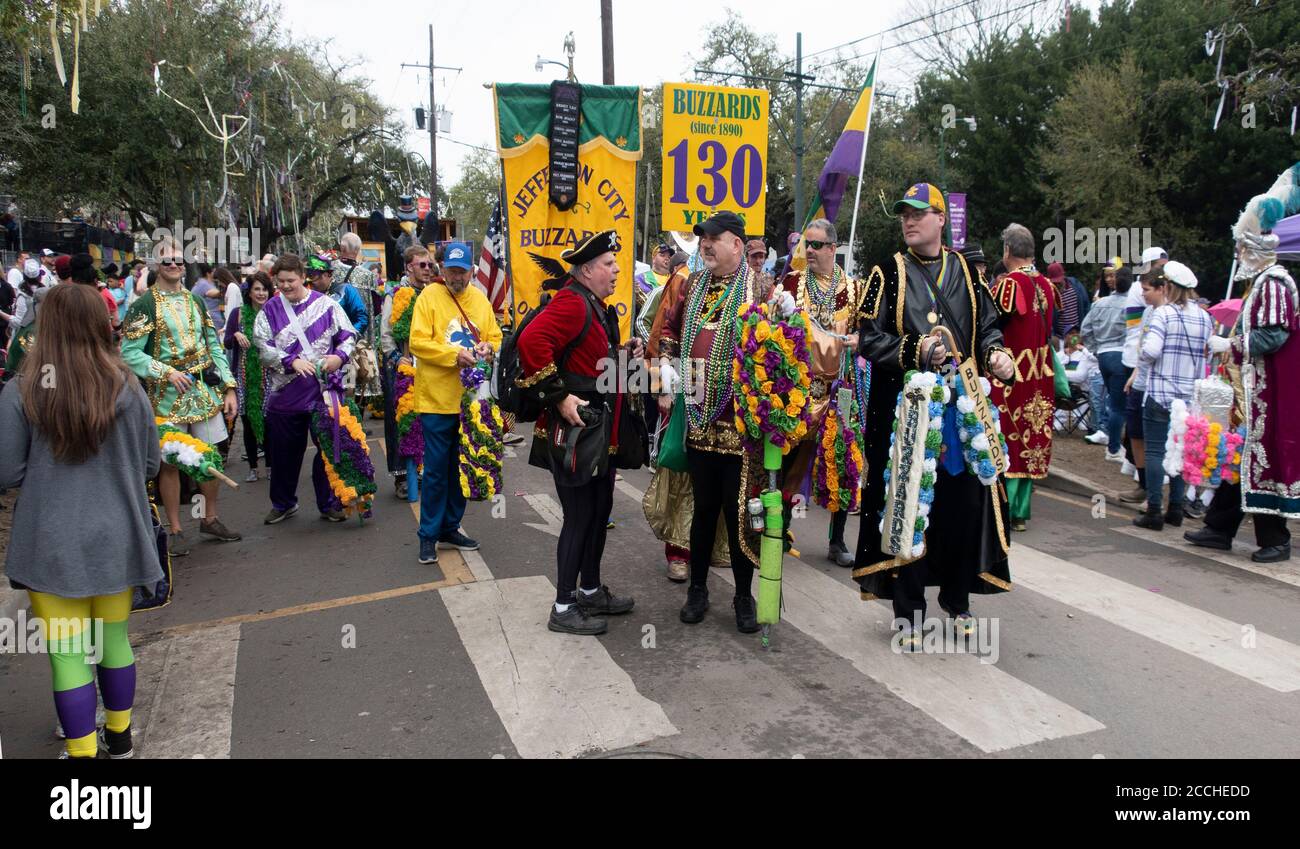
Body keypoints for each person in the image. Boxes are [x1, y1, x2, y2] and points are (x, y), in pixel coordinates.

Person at [0, 284, 164, 758]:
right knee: (114, 639)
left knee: (68, 652)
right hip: (119, 534)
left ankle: (82, 752)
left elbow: (7, 471)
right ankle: (121, 740)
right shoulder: (128, 386)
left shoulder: (22, 389)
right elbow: (152, 465)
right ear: (101, 324)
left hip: (51, 542)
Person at [854, 182, 1016, 647]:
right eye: (904, 214)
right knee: (911, 508)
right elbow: (868, 337)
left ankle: (957, 598)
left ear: (941, 219)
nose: (908, 221)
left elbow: (986, 328)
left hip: (963, 412)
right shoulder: (888, 272)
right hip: (911, 414)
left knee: (965, 506)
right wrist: (914, 349)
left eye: (919, 214)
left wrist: (996, 355)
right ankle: (909, 610)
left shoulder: (967, 270)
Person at [517, 230, 640, 634]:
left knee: (599, 509)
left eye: (615, 263)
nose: (617, 269)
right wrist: (559, 397)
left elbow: (591, 359)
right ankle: (563, 605)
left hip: (597, 431)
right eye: (609, 264)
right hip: (575, 432)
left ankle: (589, 591)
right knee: (579, 515)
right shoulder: (572, 301)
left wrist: (625, 355)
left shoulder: (594, 303)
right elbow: (531, 340)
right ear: (587, 270)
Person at [658, 211, 776, 634]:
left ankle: (744, 596)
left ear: (737, 245)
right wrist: (669, 365)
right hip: (699, 419)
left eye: (713, 238)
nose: (705, 245)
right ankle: (698, 589)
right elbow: (670, 329)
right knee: (703, 510)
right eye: (702, 239)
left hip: (742, 426)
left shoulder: (762, 287)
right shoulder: (693, 285)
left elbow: (778, 348)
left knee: (740, 511)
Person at [1186, 187, 1297, 562]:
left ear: (1252, 251)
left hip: (1270, 392)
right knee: (1241, 458)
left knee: (1261, 462)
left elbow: (1274, 334)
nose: (1237, 256)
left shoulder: (1275, 283)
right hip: (1253, 390)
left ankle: (1276, 539)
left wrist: (1229, 346)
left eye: (1240, 250)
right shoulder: (1261, 284)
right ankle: (1219, 527)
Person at [121, 236, 241, 555]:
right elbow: (129, 352)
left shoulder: (195, 301)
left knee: (209, 458)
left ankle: (208, 518)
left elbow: (213, 345)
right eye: (167, 261)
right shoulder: (144, 305)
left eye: (178, 260)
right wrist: (166, 371)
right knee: (171, 463)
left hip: (202, 391)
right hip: (165, 396)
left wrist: (228, 385)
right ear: (156, 266)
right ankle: (174, 528)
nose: (174, 265)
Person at [776, 218, 865, 564]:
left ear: (832, 248)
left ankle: (837, 540)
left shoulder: (854, 290)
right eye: (805, 245)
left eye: (815, 245)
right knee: (788, 460)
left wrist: (861, 341)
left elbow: (868, 335)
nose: (808, 251)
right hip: (800, 389)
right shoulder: (793, 283)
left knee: (841, 462)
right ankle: (779, 528)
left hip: (839, 389)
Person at [408, 241, 501, 564]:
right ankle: (428, 535)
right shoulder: (428, 297)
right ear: (441, 269)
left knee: (462, 468)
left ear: (472, 272)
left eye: (462, 272)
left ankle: (450, 526)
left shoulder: (479, 299)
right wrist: (453, 355)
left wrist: (489, 348)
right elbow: (417, 342)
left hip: (470, 402)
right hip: (436, 400)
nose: (456, 277)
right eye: (451, 271)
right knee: (435, 472)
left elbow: (495, 335)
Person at [253, 254, 357, 523]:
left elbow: (347, 337)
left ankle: (329, 502)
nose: (286, 286)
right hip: (285, 394)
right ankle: (284, 503)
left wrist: (339, 357)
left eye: (291, 280)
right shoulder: (269, 310)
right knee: (284, 453)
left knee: (328, 448)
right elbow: (262, 348)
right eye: (281, 281)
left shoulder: (327, 306)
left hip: (322, 391)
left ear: (302, 277)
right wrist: (290, 360)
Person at [1132, 261, 1212, 530]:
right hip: (1189, 397)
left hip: (1160, 393)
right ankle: (1176, 508)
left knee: (1155, 451)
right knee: (1180, 451)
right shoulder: (1204, 316)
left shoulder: (1163, 314)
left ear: (1167, 286)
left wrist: (1142, 352)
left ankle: (1154, 510)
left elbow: (1151, 351)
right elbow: (1208, 353)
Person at [987, 224, 1055, 532]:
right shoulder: (1047, 285)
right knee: (1033, 433)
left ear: (1007, 252)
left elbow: (989, 322)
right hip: (1040, 374)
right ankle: (1020, 510)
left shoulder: (1010, 284)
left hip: (1013, 372)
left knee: (1010, 433)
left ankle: (1006, 504)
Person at [380, 245, 435, 499]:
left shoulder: (434, 293)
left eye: (430, 264)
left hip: (430, 366)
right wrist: (396, 358)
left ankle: (424, 470)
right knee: (401, 421)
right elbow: (386, 335)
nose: (428, 269)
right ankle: (402, 476)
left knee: (427, 421)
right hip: (403, 366)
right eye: (422, 265)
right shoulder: (396, 294)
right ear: (409, 267)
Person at [225, 272, 274, 482]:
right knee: (247, 421)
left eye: (264, 289)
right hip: (244, 376)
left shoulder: (274, 312)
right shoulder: (238, 314)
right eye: (257, 289)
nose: (261, 293)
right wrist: (236, 334)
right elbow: (226, 342)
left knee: (269, 421)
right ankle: (253, 467)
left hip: (270, 375)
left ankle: (271, 465)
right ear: (249, 292)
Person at [1080, 266, 1132, 459]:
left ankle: (1113, 442)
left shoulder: (1100, 304)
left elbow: (1085, 328)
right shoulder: (1132, 305)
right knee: (1118, 405)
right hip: (1121, 355)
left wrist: (1096, 348)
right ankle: (1113, 448)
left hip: (1103, 355)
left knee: (1112, 399)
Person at [192, 262, 226, 330]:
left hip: (213, 318)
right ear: (208, 273)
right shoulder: (203, 284)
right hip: (212, 320)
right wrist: (225, 289)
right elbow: (210, 293)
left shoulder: (207, 283)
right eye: (213, 271)